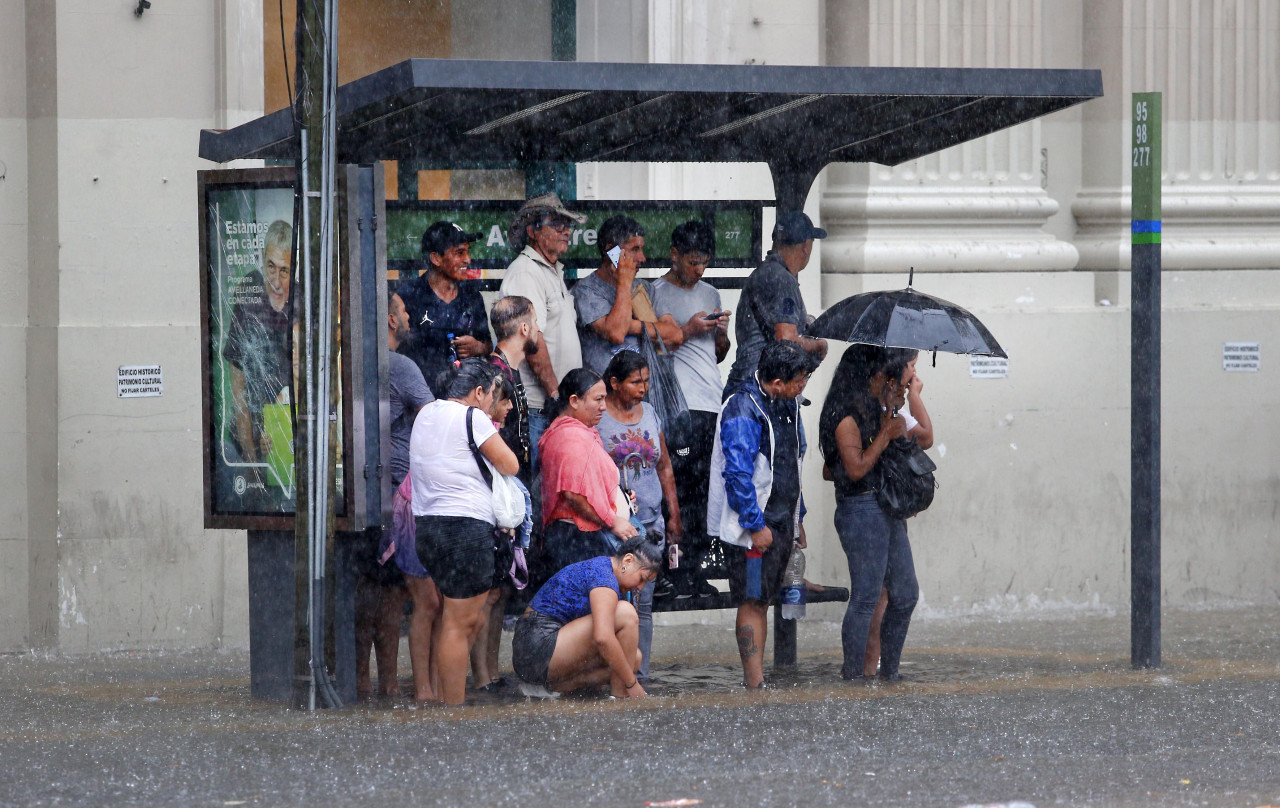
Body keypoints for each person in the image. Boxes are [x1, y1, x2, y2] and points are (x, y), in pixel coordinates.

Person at [408, 359, 519, 705]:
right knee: (460, 623)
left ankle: (446, 701)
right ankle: (453, 711)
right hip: (465, 530)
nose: (490, 404)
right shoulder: (472, 417)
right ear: (478, 392)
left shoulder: (426, 413)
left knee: (453, 619)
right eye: (490, 397)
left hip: (428, 528)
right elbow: (510, 464)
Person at [707, 340, 812, 689]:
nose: (803, 387)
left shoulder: (787, 403)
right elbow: (737, 475)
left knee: (764, 600)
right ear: (777, 382)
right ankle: (754, 683)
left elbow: (791, 460)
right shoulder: (743, 408)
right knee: (753, 600)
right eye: (799, 381)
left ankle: (758, 680)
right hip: (755, 527)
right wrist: (755, 525)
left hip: (782, 518)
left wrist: (798, 515)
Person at [818, 345, 926, 682]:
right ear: (868, 374)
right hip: (860, 508)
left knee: (905, 593)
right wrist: (884, 434)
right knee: (866, 596)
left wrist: (891, 413)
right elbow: (853, 469)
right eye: (884, 373)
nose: (890, 378)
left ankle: (889, 673)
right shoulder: (844, 415)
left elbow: (918, 439)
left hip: (885, 506)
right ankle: (853, 677)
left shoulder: (870, 407)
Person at [355, 291, 436, 698]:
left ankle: (362, 682)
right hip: (396, 497)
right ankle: (385, 683)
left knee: (368, 590)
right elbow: (434, 420)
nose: (409, 317)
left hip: (362, 492)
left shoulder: (360, 363)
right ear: (390, 320)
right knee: (390, 594)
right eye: (404, 311)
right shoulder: (401, 366)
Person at [648, 220, 732, 599]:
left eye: (705, 262)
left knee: (702, 491)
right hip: (674, 405)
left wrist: (721, 335)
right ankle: (670, 570)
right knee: (675, 490)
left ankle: (694, 571)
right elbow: (653, 347)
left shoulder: (710, 291)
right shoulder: (653, 293)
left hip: (709, 401)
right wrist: (688, 327)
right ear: (675, 255)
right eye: (693, 261)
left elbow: (717, 354)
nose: (699, 270)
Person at [596, 350, 683, 681]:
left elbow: (664, 465)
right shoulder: (600, 417)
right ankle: (611, 674)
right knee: (614, 602)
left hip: (650, 523)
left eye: (646, 381)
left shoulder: (649, 413)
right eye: (635, 382)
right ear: (614, 384)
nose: (643, 388)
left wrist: (673, 515)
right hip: (614, 526)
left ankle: (638, 674)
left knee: (643, 605)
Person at [511, 537, 662, 699]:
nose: (641, 587)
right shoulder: (604, 577)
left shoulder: (607, 573)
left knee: (633, 659)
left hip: (542, 654)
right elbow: (603, 637)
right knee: (626, 613)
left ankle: (553, 687)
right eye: (642, 579)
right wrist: (632, 684)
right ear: (628, 560)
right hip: (535, 648)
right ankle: (621, 696)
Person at [498, 193, 585, 469]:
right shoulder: (526, 272)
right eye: (556, 224)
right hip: (538, 408)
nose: (565, 231)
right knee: (538, 495)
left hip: (551, 407)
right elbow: (531, 341)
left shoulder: (550, 270)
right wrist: (555, 395)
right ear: (532, 231)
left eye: (567, 226)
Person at [538, 368, 639, 572]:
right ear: (574, 401)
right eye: (598, 399)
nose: (603, 407)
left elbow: (589, 486)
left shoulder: (582, 431)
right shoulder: (569, 437)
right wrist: (613, 521)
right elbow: (573, 494)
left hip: (581, 538)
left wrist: (620, 499)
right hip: (574, 540)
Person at [725, 210, 829, 393]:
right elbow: (786, 340)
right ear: (806, 246)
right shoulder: (780, 278)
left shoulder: (766, 273)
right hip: (761, 390)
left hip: (749, 384)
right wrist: (819, 345)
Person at [223, 220, 293, 492]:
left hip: (286, 434)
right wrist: (253, 465)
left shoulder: (299, 300)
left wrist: (283, 434)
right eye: (270, 267)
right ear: (262, 260)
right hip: (246, 438)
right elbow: (238, 386)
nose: (276, 281)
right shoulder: (250, 291)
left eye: (285, 271)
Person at [570, 214, 683, 374]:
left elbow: (675, 336)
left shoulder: (646, 288)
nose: (642, 258)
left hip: (647, 391)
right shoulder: (586, 291)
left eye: (642, 249)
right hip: (607, 392)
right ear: (612, 251)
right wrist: (624, 283)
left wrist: (630, 325)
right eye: (635, 249)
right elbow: (616, 334)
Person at [398, 220, 492, 397]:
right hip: (420, 401)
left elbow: (488, 344)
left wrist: (477, 347)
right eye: (459, 253)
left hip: (463, 400)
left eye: (467, 252)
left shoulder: (472, 296)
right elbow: (393, 352)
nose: (468, 259)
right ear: (436, 258)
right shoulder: (410, 296)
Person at [488, 295, 541, 487]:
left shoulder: (506, 369)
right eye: (535, 322)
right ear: (524, 328)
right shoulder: (496, 374)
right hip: (504, 483)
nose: (538, 328)